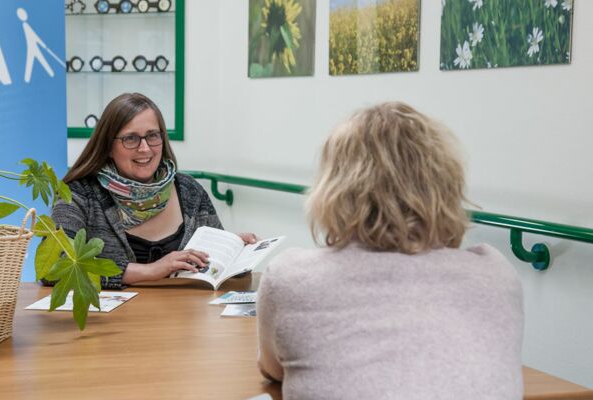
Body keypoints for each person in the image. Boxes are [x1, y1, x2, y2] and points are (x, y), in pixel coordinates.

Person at [256, 102, 523, 399]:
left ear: (334, 187)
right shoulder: (496, 273)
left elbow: (271, 369)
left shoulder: (291, 277)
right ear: (447, 183)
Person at [51, 93, 256, 289]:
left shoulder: (190, 191)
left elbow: (213, 271)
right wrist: (152, 270)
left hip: (183, 320)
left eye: (152, 136)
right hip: (109, 323)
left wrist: (234, 252)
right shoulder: (77, 193)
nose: (145, 148)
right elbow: (55, 267)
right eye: (130, 138)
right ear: (107, 147)